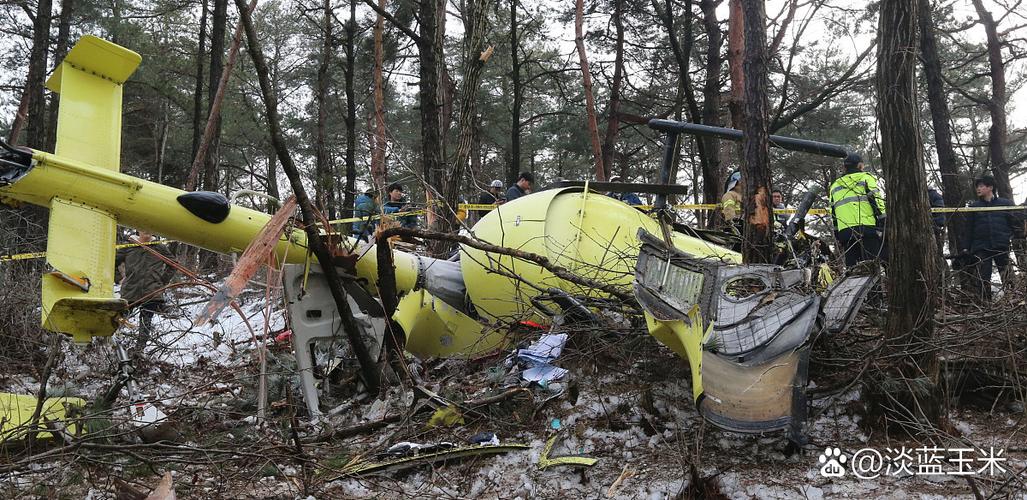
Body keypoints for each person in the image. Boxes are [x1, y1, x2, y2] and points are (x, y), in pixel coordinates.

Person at [959, 175, 1022, 301]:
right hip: (981, 247)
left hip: (1001, 245)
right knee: (983, 279)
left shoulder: (1005, 204)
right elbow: (969, 230)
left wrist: (1011, 236)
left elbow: (1014, 223)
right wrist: (965, 248)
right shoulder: (974, 207)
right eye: (977, 186)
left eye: (981, 186)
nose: (978, 188)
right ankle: (985, 306)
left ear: (990, 187)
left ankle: (1014, 302)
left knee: (1007, 276)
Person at [116, 230, 175, 355]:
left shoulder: (159, 247)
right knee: (119, 318)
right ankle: (114, 344)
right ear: (139, 231)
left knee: (146, 321)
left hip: (151, 292)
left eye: (150, 231)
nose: (147, 233)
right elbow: (112, 262)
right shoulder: (129, 246)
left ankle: (139, 350)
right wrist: (118, 279)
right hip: (130, 291)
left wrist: (162, 281)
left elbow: (173, 264)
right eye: (144, 230)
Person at [829, 153, 887, 268]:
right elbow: (877, 202)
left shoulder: (835, 186)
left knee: (853, 271)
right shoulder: (866, 178)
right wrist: (884, 221)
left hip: (845, 232)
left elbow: (833, 213)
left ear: (845, 167)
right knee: (871, 270)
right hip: (867, 229)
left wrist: (837, 233)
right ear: (860, 166)